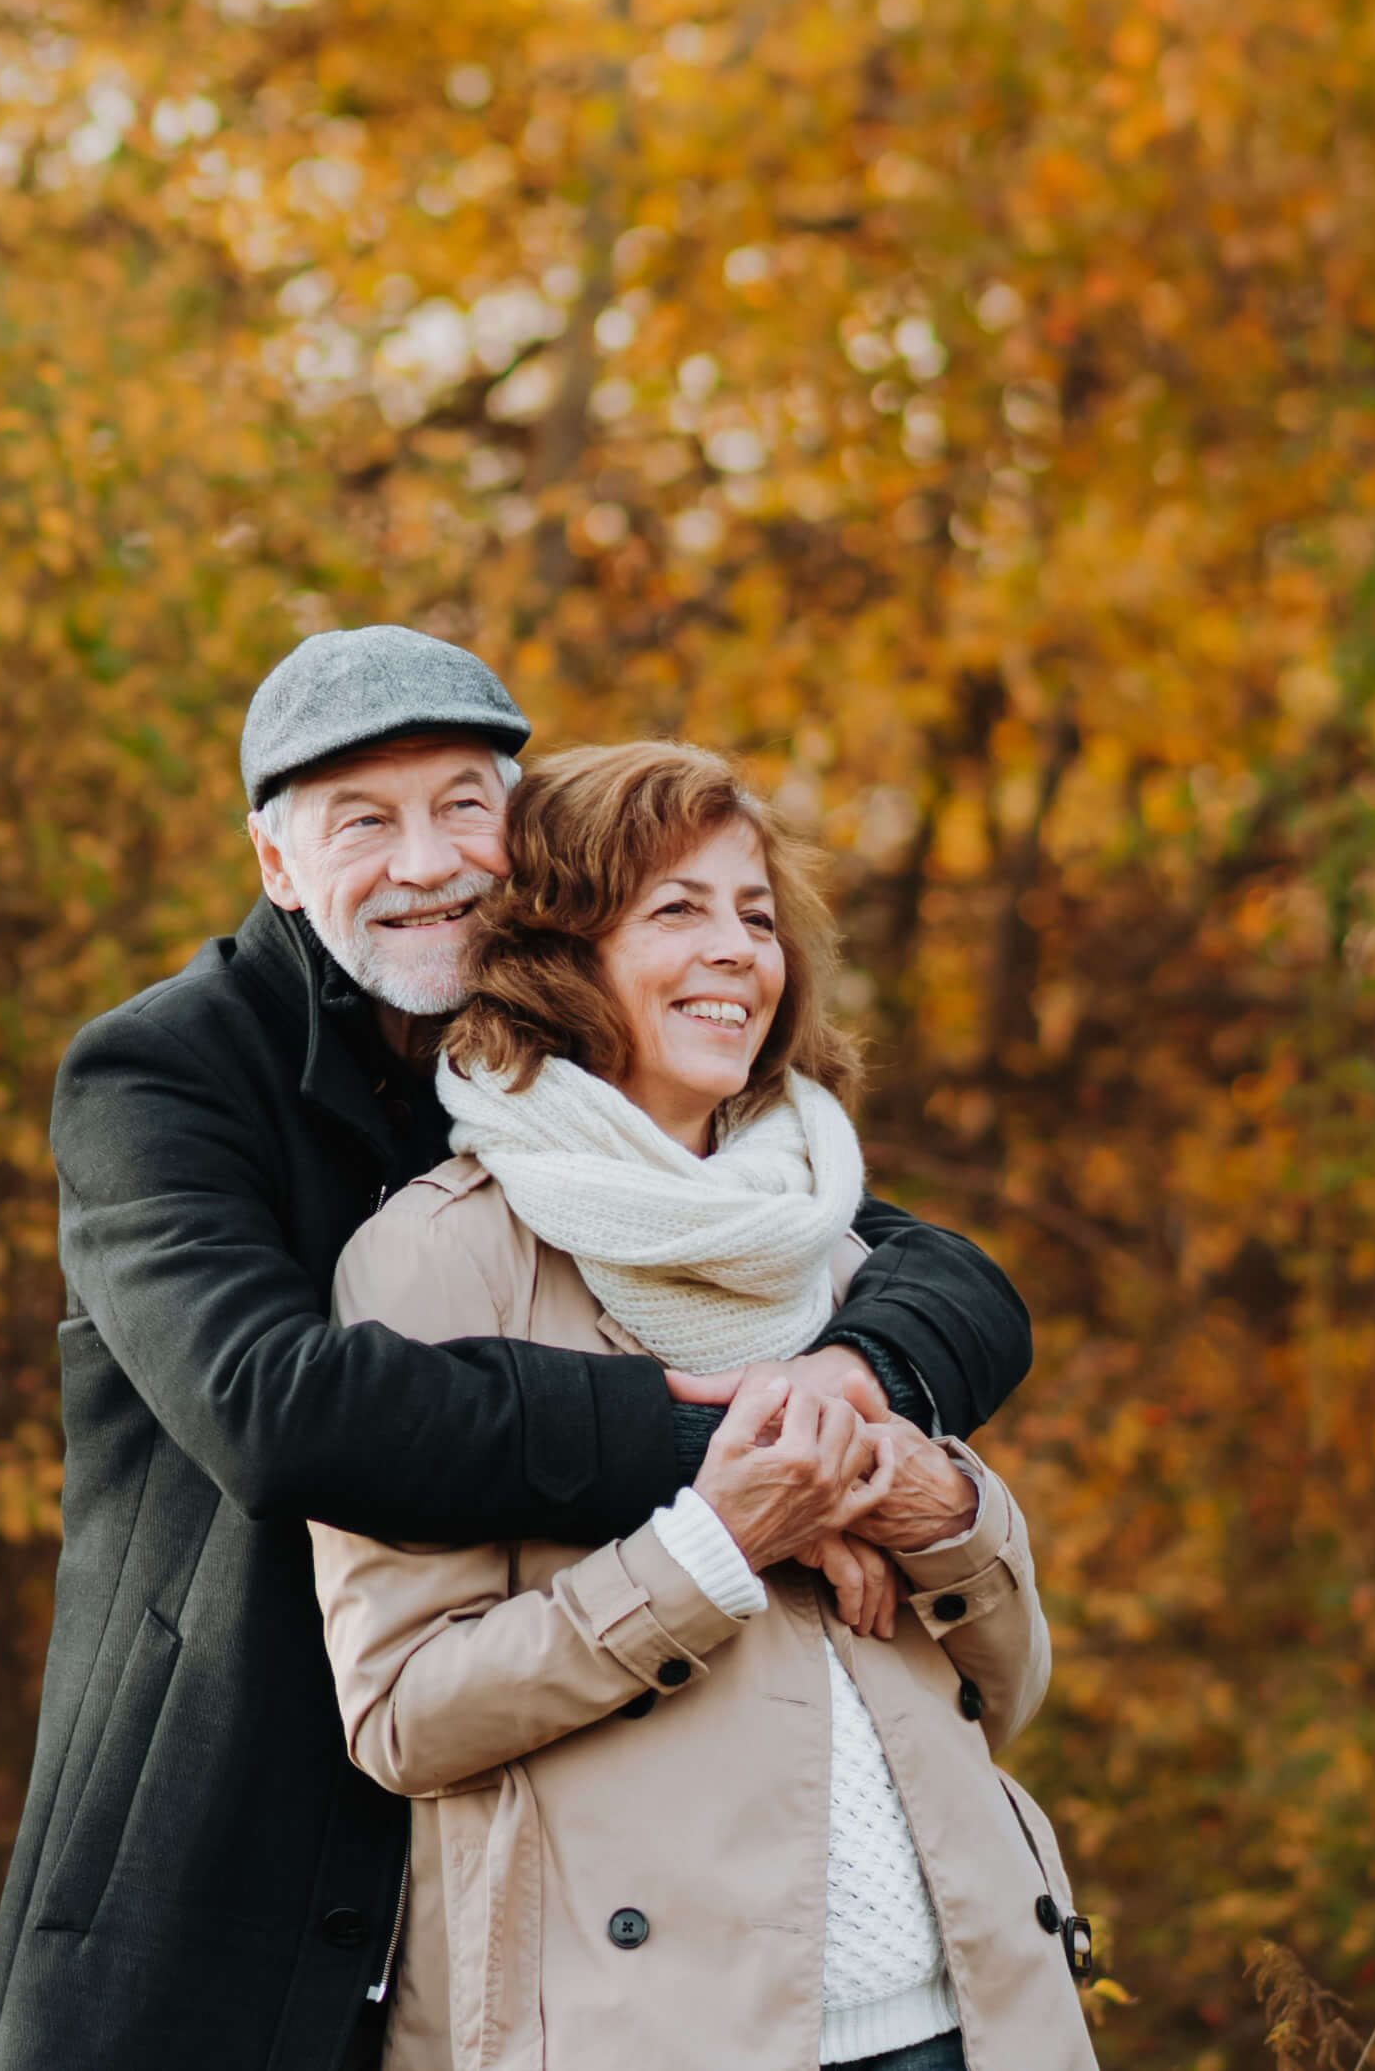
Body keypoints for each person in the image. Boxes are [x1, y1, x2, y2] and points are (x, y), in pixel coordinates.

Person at [0, 629, 1038, 2071]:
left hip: (538, 1826)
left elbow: (917, 1268)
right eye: (362, 821)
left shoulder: (567, 1086)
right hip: (240, 1812)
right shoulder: (165, 1073)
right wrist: (721, 1470)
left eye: (464, 806)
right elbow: (273, 1410)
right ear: (276, 866)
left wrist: (847, 1404)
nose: (424, 862)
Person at [312, 739, 1096, 2071]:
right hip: (646, 2032)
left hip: (968, 2013)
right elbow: (403, 1713)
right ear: (562, 956)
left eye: (754, 913)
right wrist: (710, 1550)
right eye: (675, 909)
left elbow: (1005, 1685)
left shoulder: (825, 1239)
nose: (739, 948)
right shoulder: (440, 1259)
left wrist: (937, 1507)